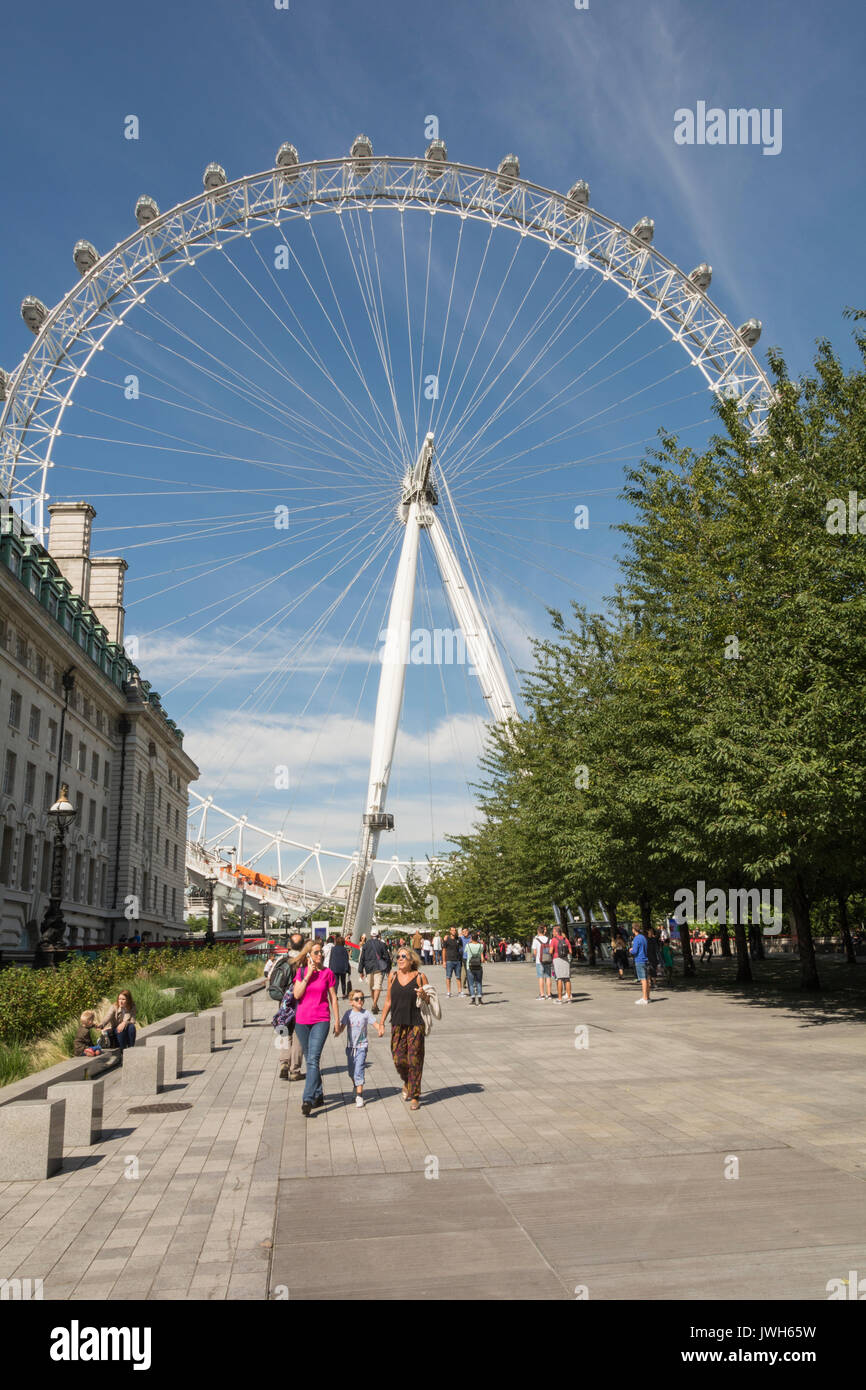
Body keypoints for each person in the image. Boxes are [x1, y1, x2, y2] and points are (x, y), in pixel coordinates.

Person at [376, 945, 430, 1110]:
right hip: (397, 1023)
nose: (399, 959)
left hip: (415, 1023)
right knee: (398, 1059)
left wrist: (424, 995)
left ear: (411, 959)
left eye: (403, 956)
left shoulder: (420, 977)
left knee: (414, 1059)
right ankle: (407, 1081)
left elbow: (429, 1001)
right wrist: (382, 1022)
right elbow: (388, 1001)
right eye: (398, 956)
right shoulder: (392, 976)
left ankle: (415, 1095)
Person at [292, 940, 340, 1116]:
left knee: (313, 1059)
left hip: (321, 1019)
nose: (320, 955)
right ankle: (318, 1093)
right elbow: (297, 994)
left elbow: (333, 997)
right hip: (302, 1021)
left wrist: (337, 1020)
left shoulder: (328, 973)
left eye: (321, 952)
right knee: (310, 1059)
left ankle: (307, 1099)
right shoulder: (302, 971)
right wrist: (308, 974)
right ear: (309, 956)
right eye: (316, 952)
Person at [334, 987, 377, 1106]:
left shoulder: (366, 1013)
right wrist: (337, 1031)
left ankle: (359, 1096)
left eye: (362, 998)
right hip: (350, 1048)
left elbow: (375, 1023)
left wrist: (380, 1028)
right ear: (351, 1002)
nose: (360, 1001)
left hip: (362, 1047)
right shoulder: (348, 1014)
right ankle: (355, 1085)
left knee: (359, 1069)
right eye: (357, 999)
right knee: (351, 1072)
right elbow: (342, 1027)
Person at [278, 930, 307, 1082]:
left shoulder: (282, 961)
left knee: (283, 1033)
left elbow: (271, 979)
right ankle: (294, 1069)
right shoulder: (304, 962)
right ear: (303, 945)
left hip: (283, 1004)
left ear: (289, 944)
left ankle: (283, 1062)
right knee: (298, 1036)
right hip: (300, 1004)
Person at [359, 927, 391, 1015]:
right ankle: (374, 1004)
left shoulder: (366, 945)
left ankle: (374, 1004)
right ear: (378, 935)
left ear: (370, 935)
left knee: (372, 987)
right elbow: (387, 957)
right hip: (379, 968)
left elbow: (362, 958)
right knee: (377, 986)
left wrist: (360, 971)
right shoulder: (382, 944)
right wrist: (388, 969)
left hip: (368, 968)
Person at [629, 923, 650, 1005]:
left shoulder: (636, 938)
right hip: (645, 959)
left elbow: (635, 951)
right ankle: (648, 997)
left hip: (639, 960)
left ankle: (644, 998)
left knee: (643, 979)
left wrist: (630, 950)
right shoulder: (643, 937)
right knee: (647, 979)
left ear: (634, 930)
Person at [552, 926, 573, 1002]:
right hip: (565, 960)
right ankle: (569, 998)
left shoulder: (553, 940)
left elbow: (551, 951)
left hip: (557, 959)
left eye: (553, 931)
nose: (552, 933)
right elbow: (570, 951)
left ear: (556, 932)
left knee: (559, 979)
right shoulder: (565, 939)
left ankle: (560, 999)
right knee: (567, 979)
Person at [531, 925, 553, 999]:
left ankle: (542, 994)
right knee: (548, 977)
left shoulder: (536, 940)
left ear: (538, 931)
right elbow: (551, 950)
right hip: (548, 960)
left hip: (539, 961)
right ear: (544, 931)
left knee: (541, 977)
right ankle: (549, 994)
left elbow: (534, 952)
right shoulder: (549, 939)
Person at [443, 926, 464, 998]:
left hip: (457, 960)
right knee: (448, 977)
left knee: (458, 977)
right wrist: (444, 961)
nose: (454, 932)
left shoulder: (459, 939)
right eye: (452, 930)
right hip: (449, 960)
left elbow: (461, 949)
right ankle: (448, 992)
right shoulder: (446, 939)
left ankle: (460, 991)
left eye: (455, 930)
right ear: (450, 931)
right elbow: (444, 950)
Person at [328, 934, 350, 998]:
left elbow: (331, 958)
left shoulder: (333, 949)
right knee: (343, 981)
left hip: (334, 967)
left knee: (335, 982)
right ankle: (343, 994)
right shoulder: (344, 949)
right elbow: (346, 959)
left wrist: (330, 967)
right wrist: (347, 968)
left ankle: (335, 994)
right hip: (343, 968)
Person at [465, 931, 484, 1004]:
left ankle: (473, 999)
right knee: (479, 982)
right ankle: (479, 998)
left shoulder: (468, 945)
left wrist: (469, 942)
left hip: (469, 966)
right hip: (479, 966)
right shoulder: (481, 945)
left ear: (471, 938)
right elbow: (481, 953)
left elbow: (465, 952)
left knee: (471, 983)